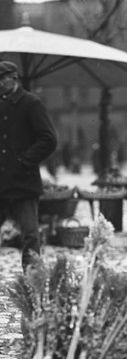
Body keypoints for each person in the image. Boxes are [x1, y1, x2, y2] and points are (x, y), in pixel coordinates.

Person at [0, 60, 57, 271]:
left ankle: (34, 281)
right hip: (1, 183)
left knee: (30, 236)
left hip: (23, 183)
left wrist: (25, 161)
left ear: (12, 79)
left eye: (1, 80)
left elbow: (49, 139)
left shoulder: (31, 104)